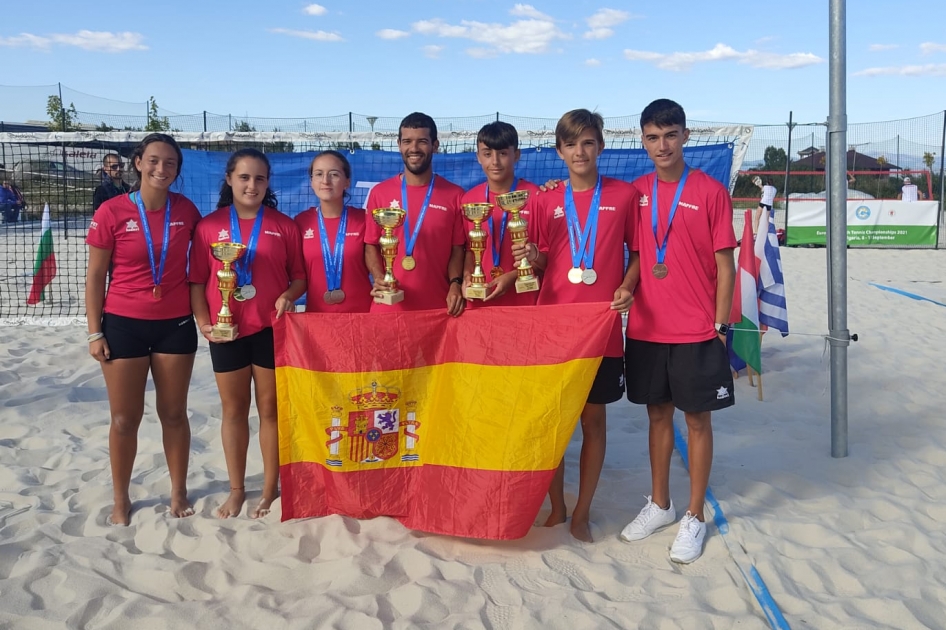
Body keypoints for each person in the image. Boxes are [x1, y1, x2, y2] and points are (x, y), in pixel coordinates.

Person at [512, 109, 638, 542]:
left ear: (600, 146)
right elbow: (547, 260)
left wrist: (626, 285)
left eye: (587, 142)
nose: (580, 151)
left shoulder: (624, 195)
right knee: (551, 423)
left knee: (593, 422)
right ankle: (557, 507)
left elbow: (637, 253)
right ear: (559, 151)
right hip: (553, 327)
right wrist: (532, 256)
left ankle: (582, 511)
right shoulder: (545, 200)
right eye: (571, 144)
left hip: (600, 327)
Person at [620, 99, 736, 564]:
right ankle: (661, 504)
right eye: (652, 136)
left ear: (686, 136)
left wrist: (721, 324)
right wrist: (629, 287)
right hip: (648, 328)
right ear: (643, 140)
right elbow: (632, 255)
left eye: (670, 135)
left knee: (697, 421)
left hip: (696, 330)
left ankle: (694, 516)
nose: (661, 145)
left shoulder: (710, 191)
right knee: (656, 417)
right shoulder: (636, 192)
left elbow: (724, 266)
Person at [84, 133, 202, 526]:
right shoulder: (112, 211)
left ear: (177, 169)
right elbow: (95, 275)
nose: (161, 168)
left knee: (173, 413)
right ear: (138, 162)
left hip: (175, 324)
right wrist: (94, 331)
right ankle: (121, 498)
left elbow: (205, 267)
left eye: (170, 163)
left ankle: (178, 491)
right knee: (124, 418)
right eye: (154, 160)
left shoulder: (187, 210)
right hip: (122, 324)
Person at [190, 148, 306, 519]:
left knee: (270, 411)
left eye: (259, 178)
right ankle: (237, 489)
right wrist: (204, 322)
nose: (251, 185)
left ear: (268, 182)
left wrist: (288, 295)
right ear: (229, 180)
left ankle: (270, 489)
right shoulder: (209, 227)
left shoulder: (284, 225)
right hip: (227, 332)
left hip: (271, 330)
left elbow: (300, 278)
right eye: (244, 177)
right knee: (234, 411)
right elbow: (197, 281)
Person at [364, 112, 466, 315]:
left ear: (435, 145)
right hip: (388, 307)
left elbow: (457, 250)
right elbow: (371, 245)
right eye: (407, 141)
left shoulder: (455, 195)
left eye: (422, 141)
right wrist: (380, 277)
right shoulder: (379, 193)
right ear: (399, 144)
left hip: (439, 308)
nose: (414, 149)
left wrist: (455, 283)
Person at [460, 121, 541, 306]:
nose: (495, 162)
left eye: (503, 153)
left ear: (517, 155)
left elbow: (546, 256)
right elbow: (467, 250)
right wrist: (466, 277)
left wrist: (512, 277)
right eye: (487, 154)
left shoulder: (536, 196)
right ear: (478, 157)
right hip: (480, 301)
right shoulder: (468, 200)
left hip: (523, 303)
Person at [295, 150, 373, 312]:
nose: (325, 180)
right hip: (318, 318)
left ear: (347, 182)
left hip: (361, 316)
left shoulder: (364, 220)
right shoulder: (301, 222)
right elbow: (298, 277)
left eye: (334, 174)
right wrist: (286, 297)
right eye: (318, 174)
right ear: (311, 181)